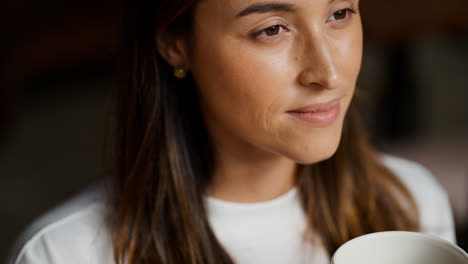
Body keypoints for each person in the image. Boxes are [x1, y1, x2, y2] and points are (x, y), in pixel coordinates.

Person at [9, 0, 456, 263]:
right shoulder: (65, 253)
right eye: (271, 29)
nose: (328, 72)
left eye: (339, 13)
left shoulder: (410, 206)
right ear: (174, 42)